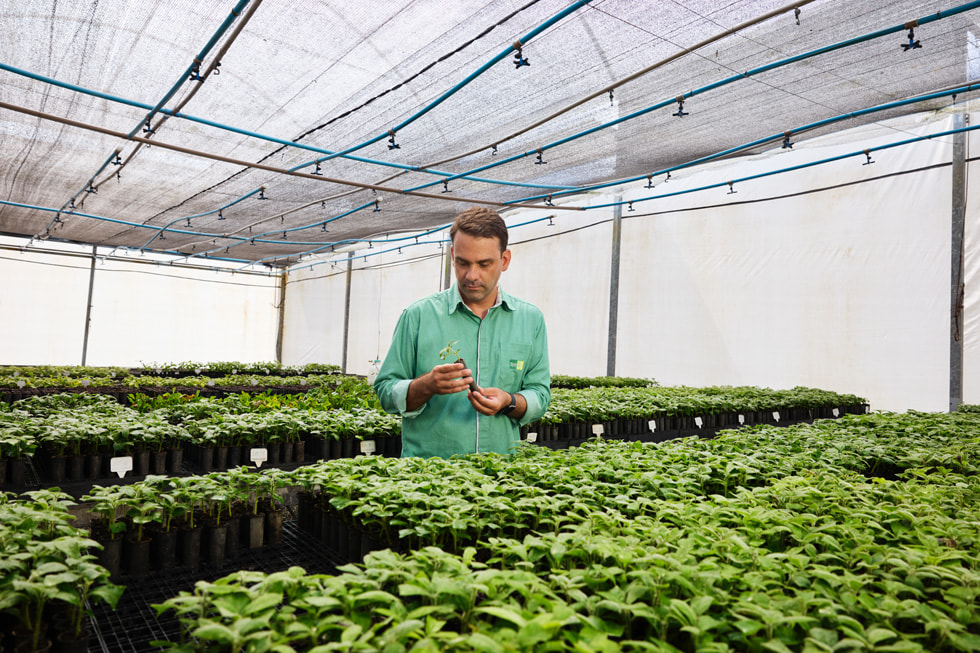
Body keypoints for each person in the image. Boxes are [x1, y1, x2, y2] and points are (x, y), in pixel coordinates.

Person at [373, 207, 551, 458]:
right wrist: (426, 385)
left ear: (505, 260)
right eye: (463, 263)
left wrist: (508, 401)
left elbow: (540, 395)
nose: (471, 275)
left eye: (484, 264)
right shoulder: (418, 316)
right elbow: (385, 392)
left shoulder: (529, 320)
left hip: (499, 478)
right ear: (452, 255)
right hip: (427, 480)